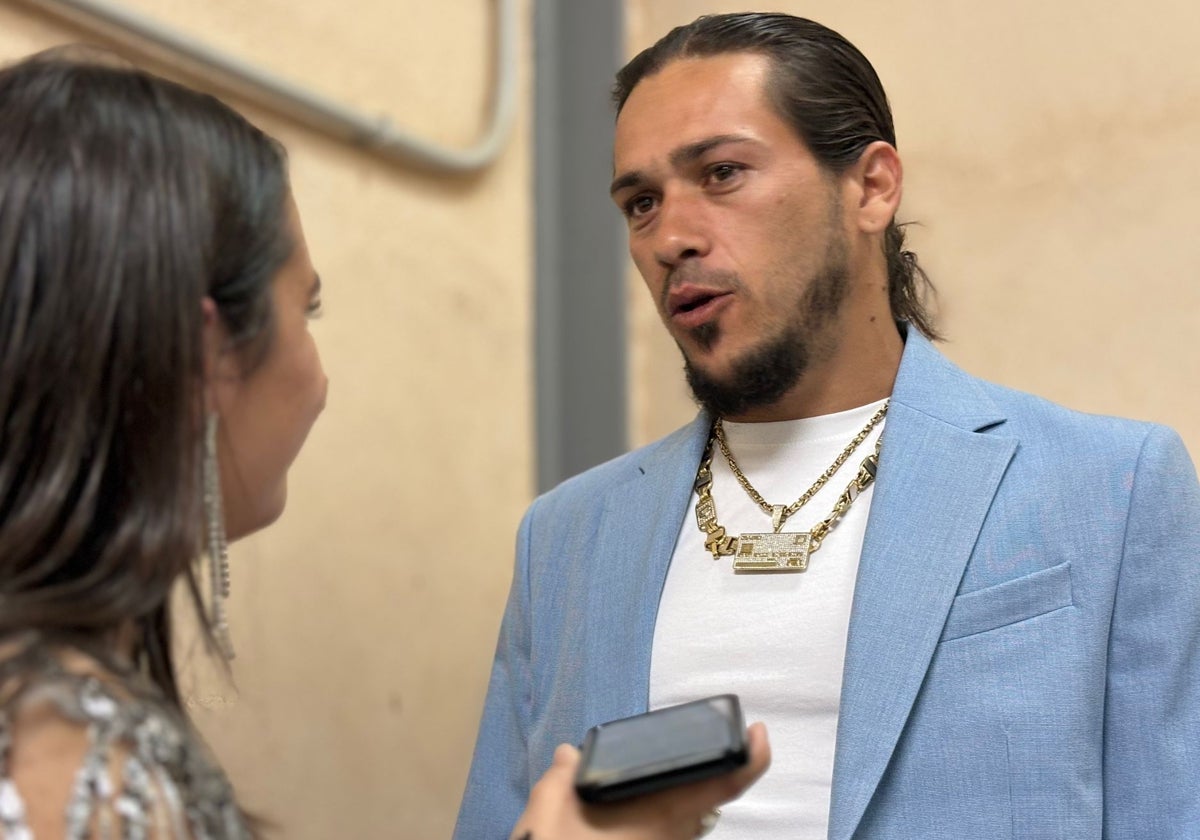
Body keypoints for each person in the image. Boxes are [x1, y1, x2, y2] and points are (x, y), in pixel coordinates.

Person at [455, 11, 1200, 840]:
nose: (670, 236)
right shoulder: (566, 540)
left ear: (872, 187)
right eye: (640, 202)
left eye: (723, 172)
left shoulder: (1112, 487)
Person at [0, 53, 768, 838]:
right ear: (207, 355)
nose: (319, 380)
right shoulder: (67, 761)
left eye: (724, 173)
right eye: (308, 311)